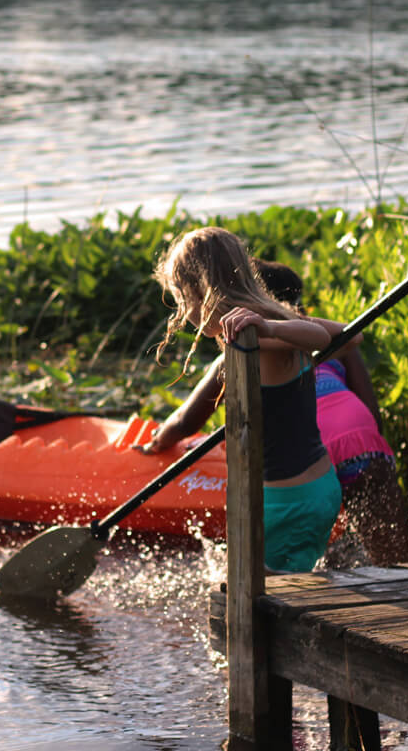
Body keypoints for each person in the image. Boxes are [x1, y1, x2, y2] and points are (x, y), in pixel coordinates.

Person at [142, 256, 408, 566]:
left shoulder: (243, 348)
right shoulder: (321, 338)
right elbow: (371, 411)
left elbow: (184, 422)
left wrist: (156, 442)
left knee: (287, 560)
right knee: (394, 561)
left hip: (306, 461)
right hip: (363, 443)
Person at [140, 226, 342, 574]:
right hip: (318, 488)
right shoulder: (270, 325)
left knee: (258, 604)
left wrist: (271, 327)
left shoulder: (259, 335)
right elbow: (350, 335)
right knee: (286, 588)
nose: (182, 314)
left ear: (197, 292)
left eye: (179, 300)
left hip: (285, 503)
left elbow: (321, 336)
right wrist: (280, 321)